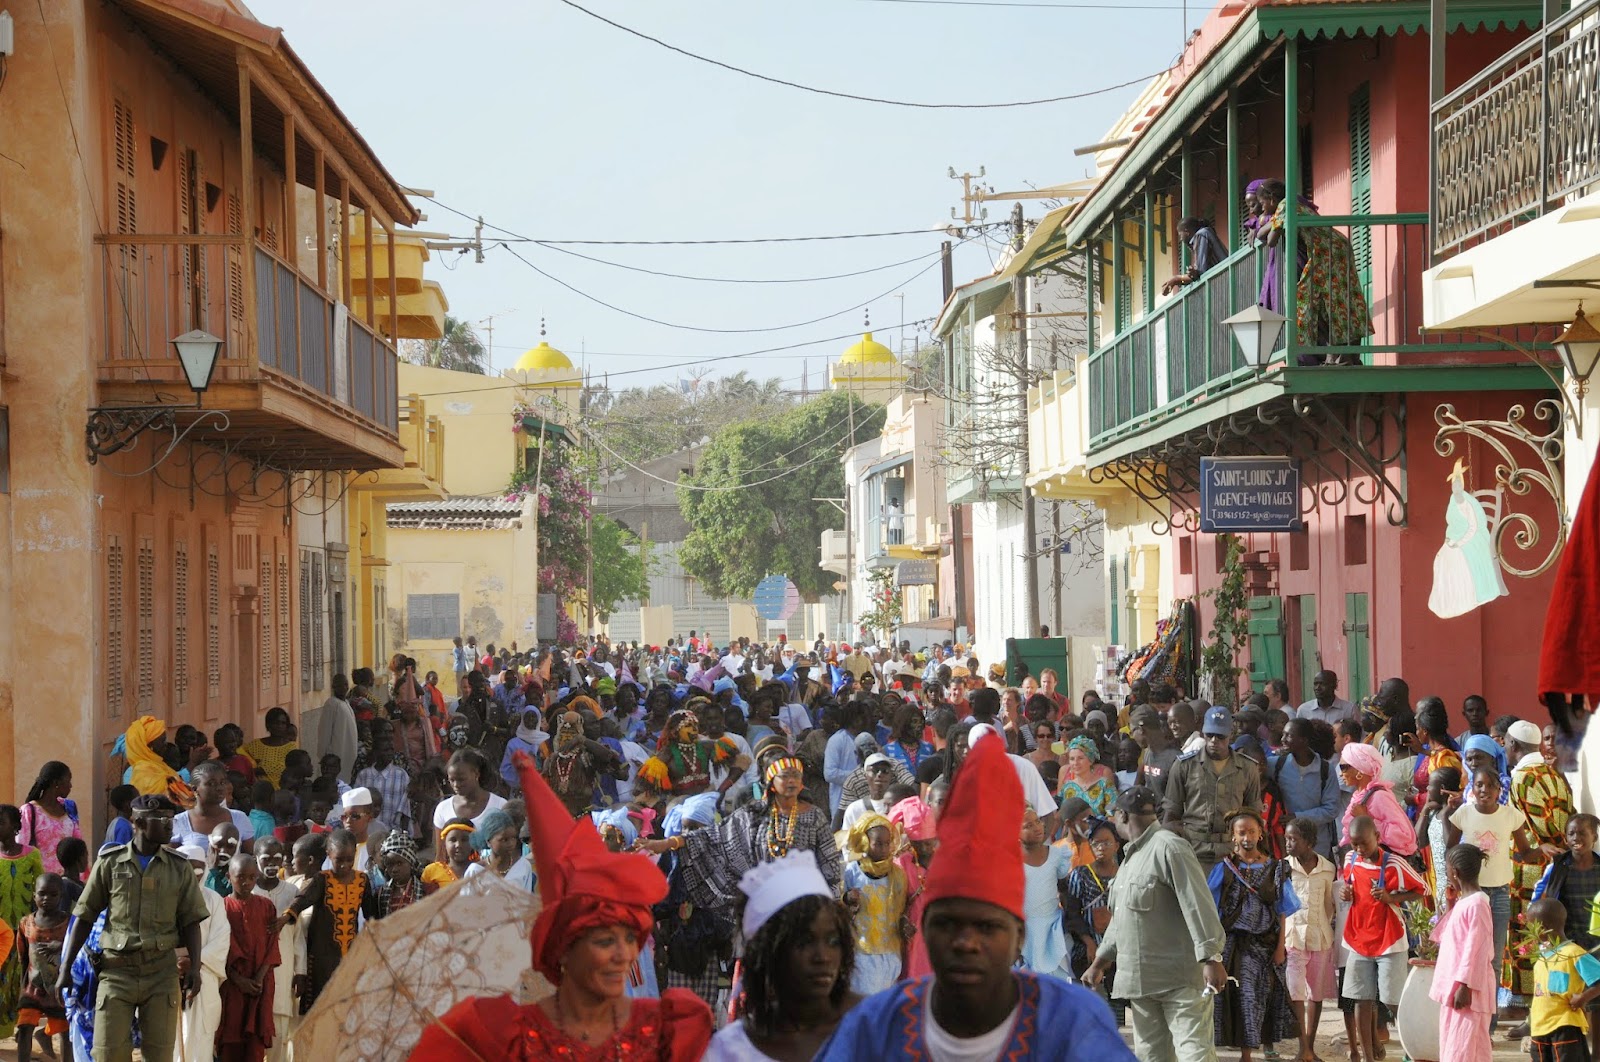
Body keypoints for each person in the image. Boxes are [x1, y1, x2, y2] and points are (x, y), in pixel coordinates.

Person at [820, 737, 1130, 1060]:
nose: (965, 943)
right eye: (946, 925)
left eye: (987, 927)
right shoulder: (873, 1027)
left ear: (1017, 936)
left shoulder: (1075, 1021)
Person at [408, 750, 715, 1060]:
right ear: (565, 951)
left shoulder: (654, 1025)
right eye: (604, 941)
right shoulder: (512, 1030)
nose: (621, 955)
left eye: (628, 938)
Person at [58, 795, 211, 1062]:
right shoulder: (110, 863)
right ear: (139, 822)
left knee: (160, 1055)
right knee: (108, 1054)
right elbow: (84, 916)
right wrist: (65, 969)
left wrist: (195, 968)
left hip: (161, 974)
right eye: (162, 820)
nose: (169, 827)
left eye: (171, 820)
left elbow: (190, 921)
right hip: (117, 973)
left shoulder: (179, 868)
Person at [1085, 785, 1226, 1061]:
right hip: (1141, 980)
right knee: (1151, 1055)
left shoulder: (1170, 848)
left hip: (1179, 979)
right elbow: (1121, 921)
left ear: (1123, 816)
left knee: (1193, 1052)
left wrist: (1211, 957)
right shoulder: (1130, 860)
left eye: (1114, 816)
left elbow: (1197, 903)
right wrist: (1099, 962)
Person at [704, 852, 858, 1062]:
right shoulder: (729, 1050)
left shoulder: (869, 1031)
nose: (823, 957)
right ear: (769, 953)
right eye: (804, 942)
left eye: (833, 941)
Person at [1210, 810, 1299, 1062]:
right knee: (1232, 997)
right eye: (1241, 832)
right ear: (1233, 836)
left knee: (1256, 997)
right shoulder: (1224, 869)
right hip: (1230, 945)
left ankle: (1249, 1053)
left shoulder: (1277, 869)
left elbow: (1283, 911)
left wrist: (1281, 947)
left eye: (1251, 831)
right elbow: (1212, 909)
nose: (1247, 837)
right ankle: (1242, 1052)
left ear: (1261, 834)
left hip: (1264, 944)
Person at [1339, 815, 1427, 1062]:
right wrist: (1347, 893)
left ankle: (1413, 1050)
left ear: (1377, 838)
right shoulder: (1351, 859)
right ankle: (1368, 1056)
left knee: (1392, 1000)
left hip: (1389, 940)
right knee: (1361, 998)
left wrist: (1392, 898)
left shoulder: (1394, 864)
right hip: (1358, 938)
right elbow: (1349, 885)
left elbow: (1422, 890)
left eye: (1364, 844)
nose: (1359, 849)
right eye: (1354, 844)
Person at [1448, 764, 1537, 1008]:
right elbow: (1451, 850)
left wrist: (1544, 851)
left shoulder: (1511, 816)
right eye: (1479, 785)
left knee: (1493, 958)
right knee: (1467, 952)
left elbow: (1525, 853)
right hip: (1470, 894)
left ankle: (1489, 1017)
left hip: (1498, 893)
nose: (1484, 790)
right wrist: (1453, 883)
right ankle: (1466, 1005)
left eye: (1490, 785)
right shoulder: (1463, 814)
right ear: (1472, 789)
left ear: (1499, 790)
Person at [1509, 717, 1576, 1008]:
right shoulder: (1555, 774)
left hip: (1531, 869)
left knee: (1531, 931)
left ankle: (1530, 1003)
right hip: (1559, 864)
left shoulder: (1522, 777)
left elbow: (1526, 831)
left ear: (1512, 745)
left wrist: (1533, 849)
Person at [286, 827, 377, 1010]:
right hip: (322, 956)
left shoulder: (362, 880)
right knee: (320, 1006)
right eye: (339, 860)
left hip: (349, 953)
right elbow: (304, 899)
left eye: (349, 859)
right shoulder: (322, 879)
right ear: (329, 855)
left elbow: (371, 914)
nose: (344, 865)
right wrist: (287, 916)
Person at [1164, 706, 1263, 869]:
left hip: (1233, 853)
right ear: (1202, 732)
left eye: (1220, 736)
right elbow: (1171, 811)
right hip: (1194, 851)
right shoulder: (1184, 765)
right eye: (1209, 735)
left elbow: (1253, 814)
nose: (1214, 741)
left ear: (1231, 735)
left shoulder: (1247, 768)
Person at [1534, 813, 1600, 1055]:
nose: (1576, 838)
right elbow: (1542, 899)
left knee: (1596, 996)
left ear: (1594, 836)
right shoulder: (1559, 867)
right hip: (1567, 942)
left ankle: (1596, 1054)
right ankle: (1570, 1047)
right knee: (1567, 995)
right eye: (1571, 833)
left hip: (1596, 942)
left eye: (1582, 832)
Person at [1430, 844, 1496, 1062]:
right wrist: (1450, 904)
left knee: (1468, 1051)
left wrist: (1465, 985)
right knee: (1453, 1049)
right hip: (1454, 989)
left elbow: (1476, 948)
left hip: (1468, 993)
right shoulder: (1464, 902)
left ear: (1455, 873)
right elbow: (1448, 935)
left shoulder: (1477, 904)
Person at [1282, 817, 1337, 1062]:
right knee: (1296, 994)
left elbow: (1329, 906)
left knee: (1316, 994)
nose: (1288, 843)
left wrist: (1323, 926)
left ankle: (1311, 1048)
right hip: (1293, 938)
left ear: (1310, 842)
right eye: (1286, 839)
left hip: (1320, 937)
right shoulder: (1283, 867)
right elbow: (1281, 907)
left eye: (1294, 839)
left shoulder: (1327, 868)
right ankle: (1302, 1047)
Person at [217, 854, 280, 1062]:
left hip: (259, 986)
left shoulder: (266, 906)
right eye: (240, 877)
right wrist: (238, 979)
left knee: (254, 1047)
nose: (246, 883)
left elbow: (272, 946)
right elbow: (220, 950)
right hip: (232, 985)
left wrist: (259, 979)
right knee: (230, 1040)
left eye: (252, 878)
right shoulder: (222, 908)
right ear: (229, 876)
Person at [841, 813, 909, 995]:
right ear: (864, 843)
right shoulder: (852, 871)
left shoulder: (898, 875)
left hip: (890, 952)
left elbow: (902, 908)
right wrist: (848, 899)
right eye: (878, 843)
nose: (884, 848)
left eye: (887, 843)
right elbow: (841, 906)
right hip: (862, 951)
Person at [1526, 897, 1600, 1061]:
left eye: (1531, 927)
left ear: (1543, 928)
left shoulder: (1574, 952)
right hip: (1539, 1028)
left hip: (1564, 1028)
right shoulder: (1541, 958)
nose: (1529, 932)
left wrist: (1583, 997)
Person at [15, 873, 68, 1062]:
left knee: (64, 1031)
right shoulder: (26, 923)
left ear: (61, 896)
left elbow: (74, 954)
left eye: (53, 895)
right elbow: (23, 958)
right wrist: (22, 988)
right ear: (34, 896)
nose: (47, 899)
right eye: (42, 894)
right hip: (32, 988)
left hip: (58, 989)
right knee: (24, 1028)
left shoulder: (68, 924)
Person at [1270, 719, 1341, 859]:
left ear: (1304, 740)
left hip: (1318, 846)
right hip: (1286, 846)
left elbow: (1331, 809)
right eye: (1283, 735)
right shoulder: (1276, 765)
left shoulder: (1325, 770)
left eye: (1288, 735)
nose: (1283, 740)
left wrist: (1296, 817)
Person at [1020, 805, 1074, 982]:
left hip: (1053, 928)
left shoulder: (1057, 855)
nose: (1037, 828)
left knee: (1057, 977)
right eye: (1028, 826)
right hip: (1025, 931)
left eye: (1037, 822)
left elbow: (1063, 887)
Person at [1337, 741, 1415, 856]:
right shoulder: (1359, 795)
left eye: (1343, 768)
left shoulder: (1379, 797)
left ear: (1359, 771)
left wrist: (1366, 819)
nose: (1340, 774)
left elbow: (1404, 836)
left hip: (1383, 868)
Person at [430, 748, 507, 854]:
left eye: (461, 779)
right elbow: (440, 854)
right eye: (452, 780)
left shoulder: (499, 806)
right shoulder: (443, 809)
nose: (456, 785)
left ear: (476, 774)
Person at [116, 715, 198, 806]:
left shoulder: (158, 765)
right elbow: (175, 795)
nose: (165, 745)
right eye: (162, 741)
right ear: (150, 747)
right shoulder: (144, 772)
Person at [19, 763, 81, 878]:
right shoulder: (29, 811)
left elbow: (77, 845)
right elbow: (22, 849)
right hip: (42, 884)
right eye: (68, 780)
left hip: (67, 882)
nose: (70, 785)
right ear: (56, 783)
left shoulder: (70, 808)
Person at [1162, 216, 1230, 295]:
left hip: (1224, 281)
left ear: (1186, 232)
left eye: (1180, 235)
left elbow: (1201, 271)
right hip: (1224, 280)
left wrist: (1176, 279)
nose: (1181, 239)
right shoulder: (1204, 234)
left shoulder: (1201, 235)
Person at [1057, 734, 1117, 818]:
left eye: (1080, 758)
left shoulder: (1105, 784)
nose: (1075, 763)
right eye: (1072, 759)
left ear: (1090, 760)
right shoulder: (1067, 787)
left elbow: (1112, 810)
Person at [242, 708, 299, 788]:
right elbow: (242, 761)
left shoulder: (291, 748)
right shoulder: (255, 745)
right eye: (276, 723)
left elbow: (295, 773)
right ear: (268, 724)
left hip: (283, 795)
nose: (280, 726)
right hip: (260, 794)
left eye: (283, 723)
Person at [424, 818, 479, 889]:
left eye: (464, 840)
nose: (458, 845)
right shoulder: (431, 871)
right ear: (444, 844)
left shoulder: (481, 870)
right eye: (453, 840)